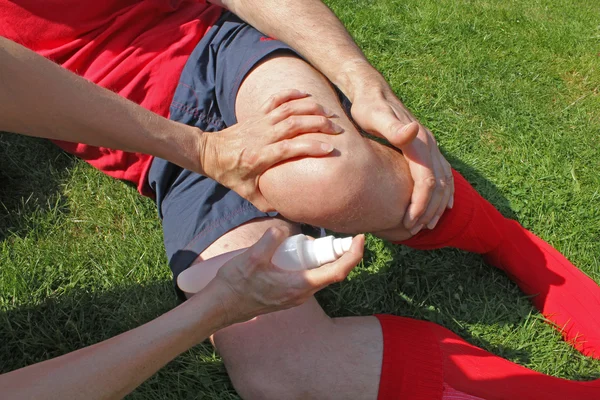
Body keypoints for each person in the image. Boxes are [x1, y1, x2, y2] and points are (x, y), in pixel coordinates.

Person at [2, 1, 599, 399]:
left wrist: (360, 79)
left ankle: (506, 242)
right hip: (156, 150)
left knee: (322, 178)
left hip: (209, 56)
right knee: (281, 372)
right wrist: (205, 153)